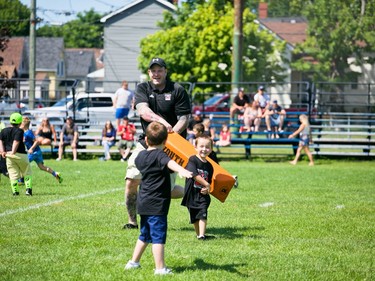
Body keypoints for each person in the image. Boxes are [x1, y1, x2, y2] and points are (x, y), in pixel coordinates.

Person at [123, 57, 191, 229]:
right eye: (153, 70)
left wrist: (171, 136)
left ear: (165, 71)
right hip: (146, 143)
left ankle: (192, 193)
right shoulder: (143, 88)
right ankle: (132, 222)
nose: (156, 73)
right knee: (131, 180)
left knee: (165, 190)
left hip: (171, 145)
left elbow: (184, 118)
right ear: (149, 72)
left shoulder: (177, 90)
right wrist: (162, 123)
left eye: (160, 70)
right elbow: (143, 111)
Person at [124, 121, 192, 275]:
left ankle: (133, 262)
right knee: (158, 237)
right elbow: (169, 162)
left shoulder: (140, 156)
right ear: (165, 141)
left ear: (146, 140)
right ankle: (160, 268)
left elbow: (159, 163)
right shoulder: (161, 155)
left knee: (145, 234)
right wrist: (182, 170)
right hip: (157, 205)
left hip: (143, 202)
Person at [181, 134, 214, 240]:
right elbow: (194, 175)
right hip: (191, 193)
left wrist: (207, 188)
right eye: (201, 146)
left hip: (202, 195)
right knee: (194, 216)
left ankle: (202, 235)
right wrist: (206, 184)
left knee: (203, 212)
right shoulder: (192, 160)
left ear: (211, 149)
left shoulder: (210, 166)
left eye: (207, 147)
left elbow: (209, 182)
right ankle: (199, 234)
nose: (204, 149)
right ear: (195, 147)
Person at [20, 117, 63, 184]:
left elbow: (36, 141)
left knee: (23, 164)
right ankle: (56, 174)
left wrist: (31, 149)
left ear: (23, 125)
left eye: (20, 124)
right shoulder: (25, 133)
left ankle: (21, 180)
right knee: (42, 167)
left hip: (34, 152)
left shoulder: (28, 132)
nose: (19, 126)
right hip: (37, 151)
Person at [0, 112, 32, 196]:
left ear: (10, 121)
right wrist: (13, 151)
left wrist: (2, 151)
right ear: (20, 122)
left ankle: (15, 192)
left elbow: (1, 142)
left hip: (8, 156)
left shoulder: (3, 131)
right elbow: (16, 141)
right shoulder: (19, 130)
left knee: (13, 175)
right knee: (27, 172)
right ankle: (28, 191)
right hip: (20, 154)